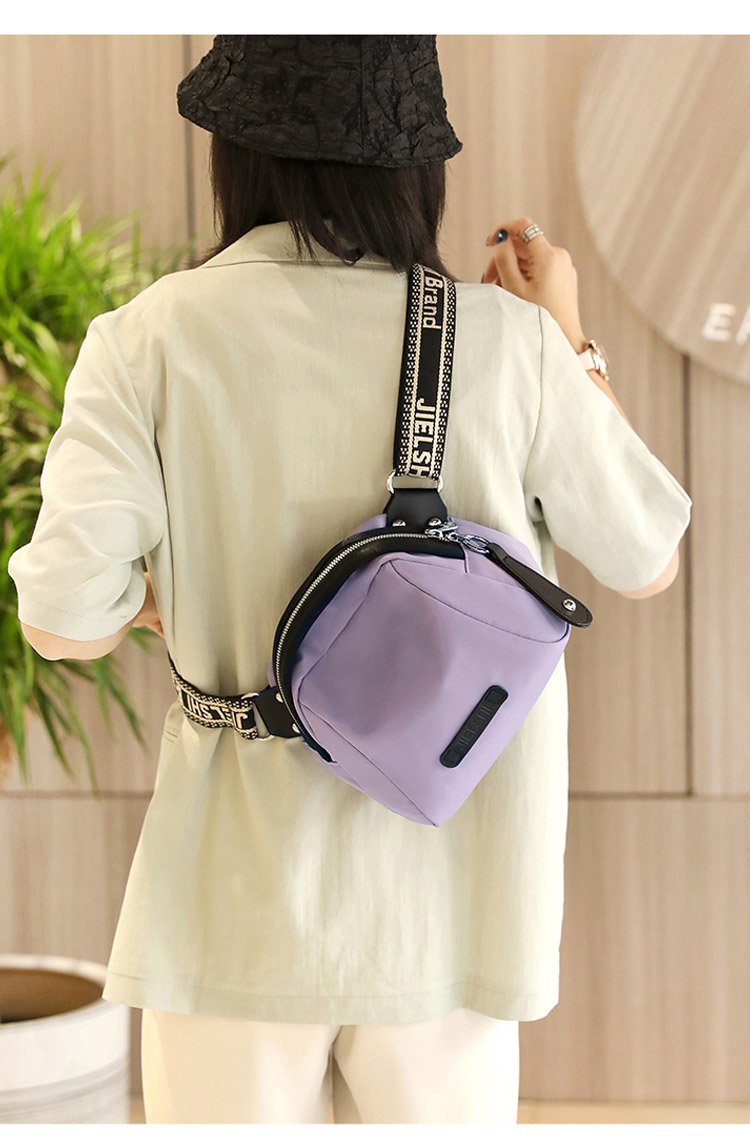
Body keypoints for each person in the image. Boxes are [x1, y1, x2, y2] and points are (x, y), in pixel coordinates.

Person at [7, 35, 692, 1125]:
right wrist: (570, 337)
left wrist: (164, 599)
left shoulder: (146, 339)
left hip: (229, 908)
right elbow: (648, 556)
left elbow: (60, 620)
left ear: (237, 158)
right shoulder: (507, 341)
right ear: (416, 169)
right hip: (456, 907)